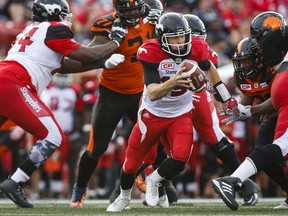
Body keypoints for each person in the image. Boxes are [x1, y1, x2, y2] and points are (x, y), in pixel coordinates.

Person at [106, 12, 242, 212]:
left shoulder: (196, 46)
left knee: (180, 157)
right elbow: (152, 93)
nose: (180, 42)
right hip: (152, 113)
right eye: (174, 38)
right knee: (132, 163)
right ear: (161, 39)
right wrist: (174, 82)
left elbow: (209, 68)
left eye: (182, 36)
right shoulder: (149, 51)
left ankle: (155, 180)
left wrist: (226, 98)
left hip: (180, 112)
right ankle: (123, 197)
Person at [0, 0, 126, 208]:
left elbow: (63, 65)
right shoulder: (55, 29)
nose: (68, 18)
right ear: (55, 14)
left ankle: (14, 182)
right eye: (65, 14)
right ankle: (15, 182)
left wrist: (102, 62)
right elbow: (90, 53)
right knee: (53, 135)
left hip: (6, 78)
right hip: (15, 83)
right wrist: (116, 40)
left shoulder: (32, 30)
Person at [69, 0, 158, 208]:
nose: (134, 14)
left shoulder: (151, 19)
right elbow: (88, 56)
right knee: (97, 148)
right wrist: (105, 55)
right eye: (129, 10)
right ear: (117, 10)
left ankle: (139, 178)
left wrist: (160, 21)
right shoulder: (105, 25)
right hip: (112, 94)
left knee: (153, 139)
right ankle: (79, 189)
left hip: (141, 93)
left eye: (137, 9)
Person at [211, 11, 288, 211]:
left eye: (247, 61)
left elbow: (278, 100)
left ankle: (233, 179)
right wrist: (238, 109)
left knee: (279, 148)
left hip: (276, 109)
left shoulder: (275, 67)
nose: (244, 66)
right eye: (241, 62)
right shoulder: (246, 77)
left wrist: (254, 111)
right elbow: (247, 105)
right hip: (273, 112)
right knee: (267, 150)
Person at [183, 14, 259, 205]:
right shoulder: (163, 52)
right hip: (168, 101)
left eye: (201, 37)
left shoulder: (208, 55)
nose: (199, 43)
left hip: (195, 98)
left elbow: (213, 85)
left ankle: (244, 183)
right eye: (194, 37)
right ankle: (143, 182)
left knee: (214, 136)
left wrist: (224, 99)